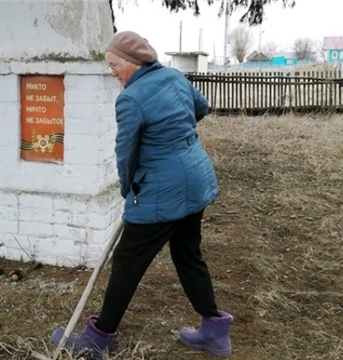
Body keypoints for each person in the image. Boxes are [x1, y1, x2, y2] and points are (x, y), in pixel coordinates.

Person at [51, 30, 233, 359]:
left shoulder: (131, 98)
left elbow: (126, 153)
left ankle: (99, 337)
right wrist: (175, 133)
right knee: (188, 253)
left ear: (133, 63)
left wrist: (127, 190)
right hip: (196, 177)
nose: (111, 72)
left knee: (126, 261)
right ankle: (214, 331)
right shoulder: (174, 77)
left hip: (164, 190)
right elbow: (201, 107)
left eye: (113, 65)